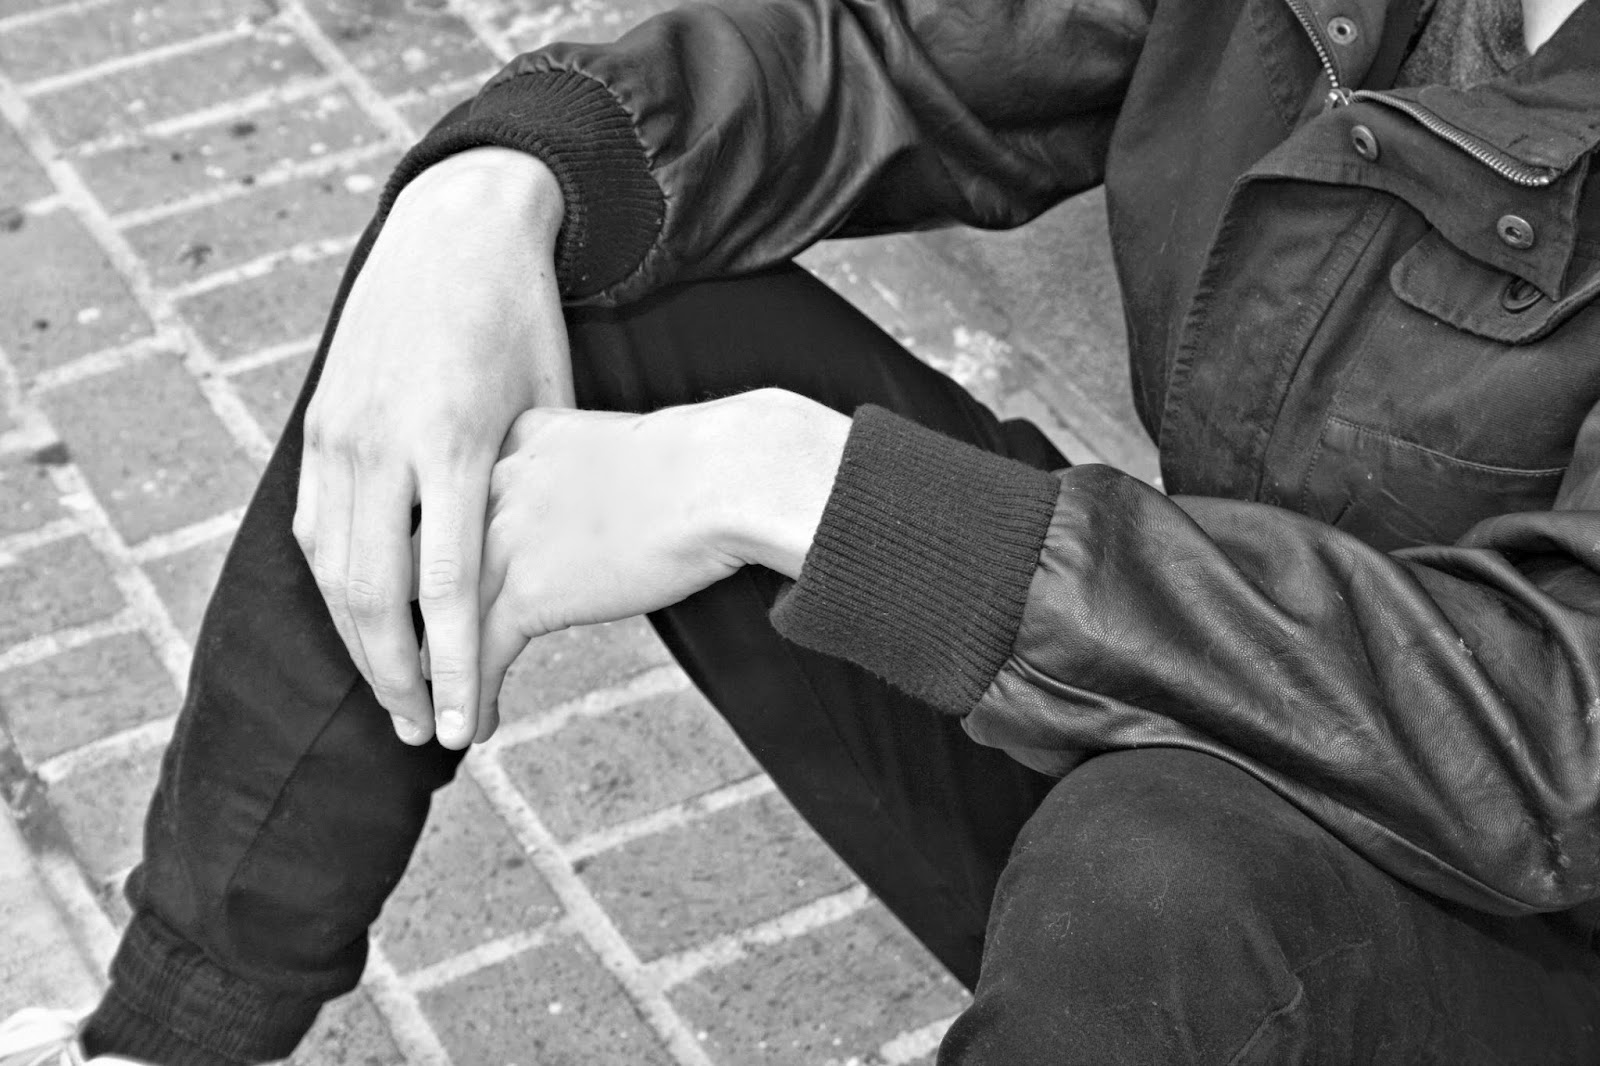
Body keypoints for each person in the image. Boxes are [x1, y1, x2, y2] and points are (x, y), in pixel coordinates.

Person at [5, 0, 1599, 1060]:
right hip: (1207, 696)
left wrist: (799, 487)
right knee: (512, 281)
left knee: (1160, 878)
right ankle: (171, 1036)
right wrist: (499, 183)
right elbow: (896, 48)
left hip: (1505, 942)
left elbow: (1554, 735)